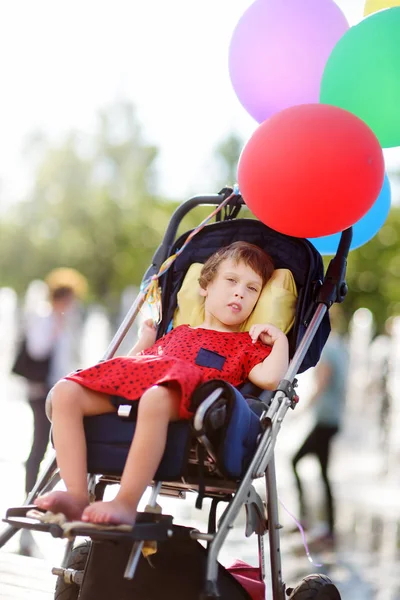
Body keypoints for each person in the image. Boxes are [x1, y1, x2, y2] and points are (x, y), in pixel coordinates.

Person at [34, 241, 289, 526]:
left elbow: (269, 379)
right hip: (146, 386)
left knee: (157, 395)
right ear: (205, 285)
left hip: (191, 397)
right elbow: (127, 371)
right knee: (65, 392)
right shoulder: (178, 332)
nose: (240, 292)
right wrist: (144, 343)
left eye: (252, 289)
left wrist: (280, 341)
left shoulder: (245, 344)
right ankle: (76, 494)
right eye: (231, 281)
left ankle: (126, 502)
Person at [291, 305, 348, 548]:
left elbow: (322, 383)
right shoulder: (341, 347)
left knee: (296, 462)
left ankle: (308, 519)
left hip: (325, 420)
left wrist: (301, 408)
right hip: (332, 419)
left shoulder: (327, 349)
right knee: (323, 472)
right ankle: (327, 527)